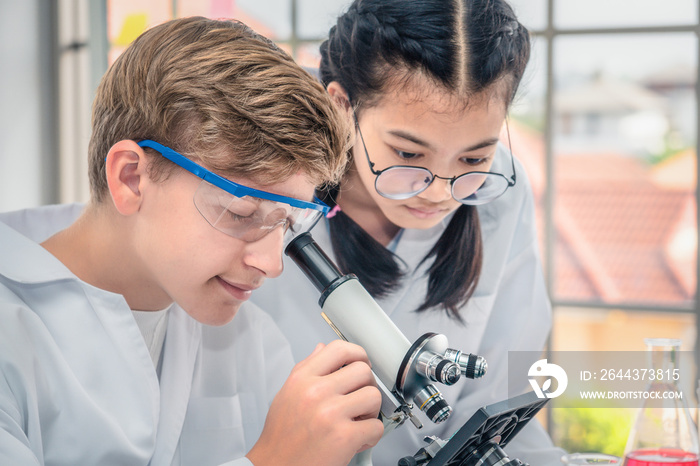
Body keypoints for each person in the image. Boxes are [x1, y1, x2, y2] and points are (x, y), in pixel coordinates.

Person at [0, 17, 384, 466]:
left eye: (285, 223)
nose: (272, 264)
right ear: (131, 178)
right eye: (241, 213)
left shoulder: (252, 340)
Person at [251, 0, 568, 464]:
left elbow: (502, 398)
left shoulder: (502, 195)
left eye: (474, 158)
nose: (440, 192)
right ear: (343, 106)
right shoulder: (266, 199)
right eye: (408, 154)